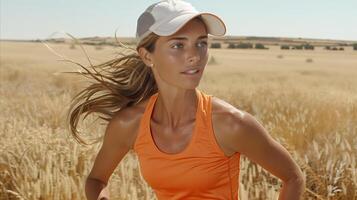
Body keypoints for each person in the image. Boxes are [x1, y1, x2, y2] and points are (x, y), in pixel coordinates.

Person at [67, 0, 305, 199]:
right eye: (178, 45)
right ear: (147, 56)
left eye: (201, 43)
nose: (194, 56)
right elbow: (96, 180)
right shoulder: (129, 124)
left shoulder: (230, 124)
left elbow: (293, 177)